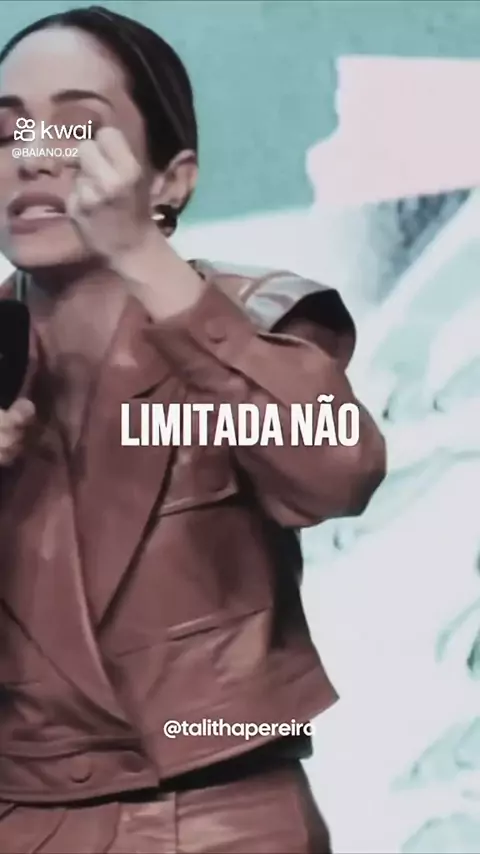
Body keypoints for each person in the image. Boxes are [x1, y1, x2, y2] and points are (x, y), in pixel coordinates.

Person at [0, 6, 386, 853]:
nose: (33, 155)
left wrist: (144, 258)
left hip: (223, 818)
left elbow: (339, 472)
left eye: (75, 130)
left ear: (170, 179)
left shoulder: (254, 322)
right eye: (7, 132)